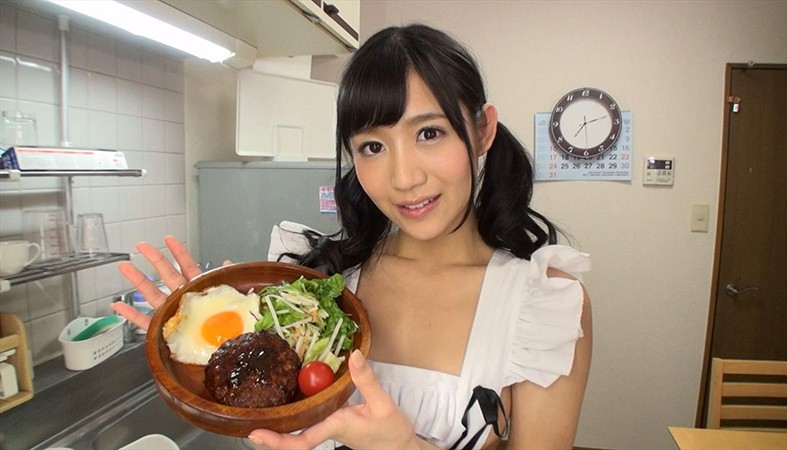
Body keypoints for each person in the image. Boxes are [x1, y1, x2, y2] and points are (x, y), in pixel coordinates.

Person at [112, 23, 592, 450]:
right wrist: (207, 335)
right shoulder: (317, 285)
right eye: (373, 146)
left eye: (429, 133)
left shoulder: (542, 304)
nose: (404, 177)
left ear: (482, 130)